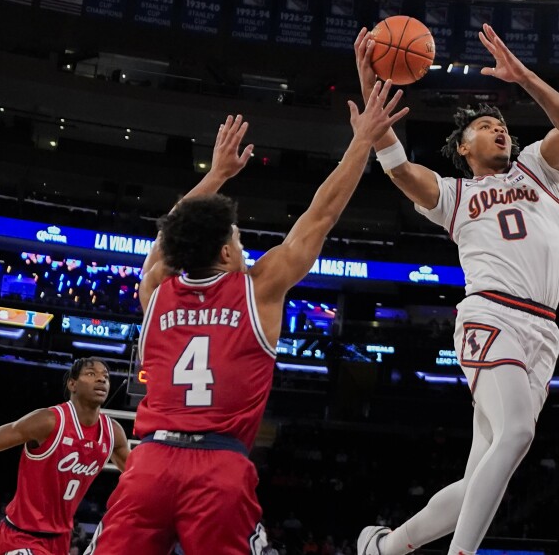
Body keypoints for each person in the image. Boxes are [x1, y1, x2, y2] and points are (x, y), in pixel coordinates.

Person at [86, 89, 408, 555]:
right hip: (218, 468)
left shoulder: (155, 291)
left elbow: (167, 233)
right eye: (237, 239)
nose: (244, 246)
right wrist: (361, 141)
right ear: (223, 253)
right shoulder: (258, 289)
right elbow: (321, 215)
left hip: (150, 463)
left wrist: (215, 174)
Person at [353, 23, 559, 555]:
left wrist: (523, 76)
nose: (500, 130)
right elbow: (400, 169)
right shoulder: (455, 195)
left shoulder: (538, 171)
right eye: (486, 126)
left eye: (503, 124)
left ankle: (385, 548)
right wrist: (370, 87)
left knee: (483, 477)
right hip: (491, 316)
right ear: (463, 146)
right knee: (516, 436)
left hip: (544, 330)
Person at [0, 358, 129, 555]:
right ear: (72, 383)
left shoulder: (112, 432)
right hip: (21, 536)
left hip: (61, 539)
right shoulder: (48, 421)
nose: (101, 380)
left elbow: (138, 478)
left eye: (105, 376)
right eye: (91, 374)